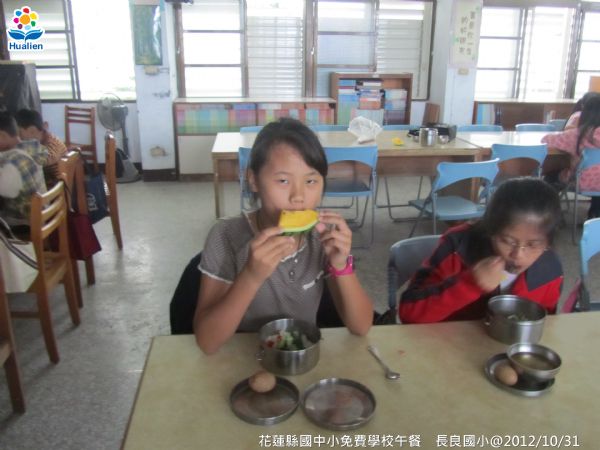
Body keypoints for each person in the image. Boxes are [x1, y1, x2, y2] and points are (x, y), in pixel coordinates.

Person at [194, 117, 373, 354]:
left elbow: (361, 326)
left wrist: (340, 266)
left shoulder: (322, 237)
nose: (298, 196)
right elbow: (207, 342)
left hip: (302, 357)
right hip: (244, 358)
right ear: (253, 180)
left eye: (311, 181)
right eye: (283, 180)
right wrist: (251, 276)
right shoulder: (226, 235)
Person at [399, 178, 563, 324]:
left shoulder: (550, 268)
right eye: (508, 241)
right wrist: (470, 283)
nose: (518, 255)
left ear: (548, 243)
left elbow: (547, 323)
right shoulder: (457, 248)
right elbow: (408, 314)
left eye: (533, 245)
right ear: (490, 230)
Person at [542, 93, 600, 218]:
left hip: (581, 181)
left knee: (549, 177)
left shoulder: (577, 134)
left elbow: (546, 140)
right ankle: (595, 217)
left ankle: (550, 215)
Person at [0, 111, 48, 226]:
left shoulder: (13, 163)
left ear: (2, 135)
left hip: (26, 222)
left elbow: (6, 192)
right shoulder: (32, 149)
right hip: (42, 213)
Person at [15, 108, 68, 184]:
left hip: (54, 184)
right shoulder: (41, 141)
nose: (19, 138)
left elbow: (49, 158)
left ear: (32, 131)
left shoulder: (52, 142)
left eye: (20, 133)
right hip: (49, 180)